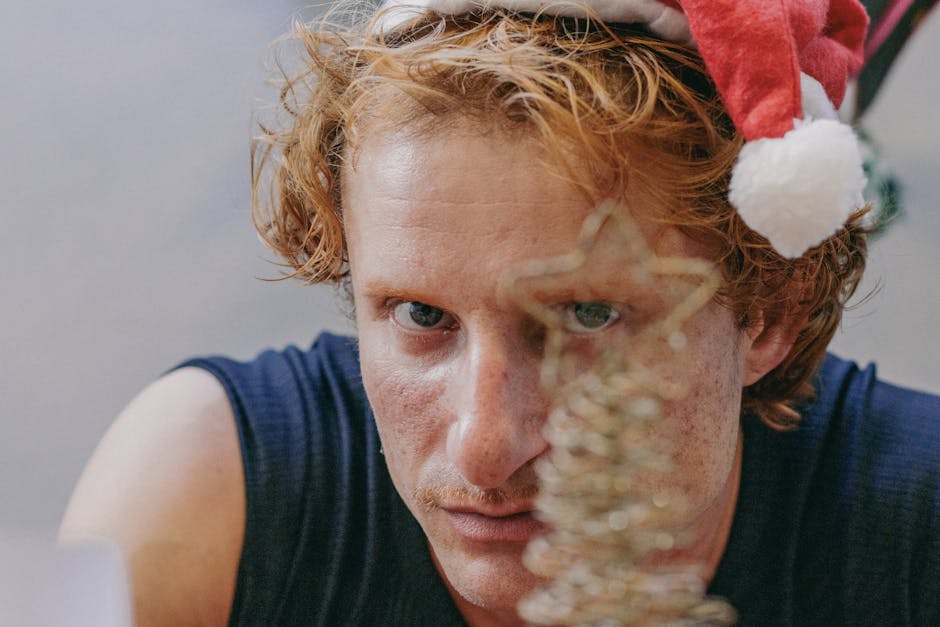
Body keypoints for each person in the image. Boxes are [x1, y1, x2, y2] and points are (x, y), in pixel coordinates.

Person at [59, 0, 940, 625]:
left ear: (769, 314)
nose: (485, 444)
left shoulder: (915, 531)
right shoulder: (214, 492)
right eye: (419, 315)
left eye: (588, 315)